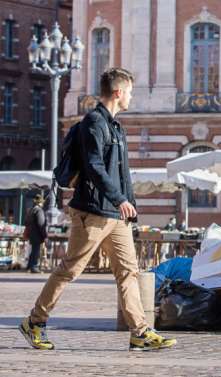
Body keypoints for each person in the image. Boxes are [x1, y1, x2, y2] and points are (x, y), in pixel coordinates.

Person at [19, 68, 176, 351]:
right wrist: (119, 199)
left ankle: (139, 331)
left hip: (116, 216)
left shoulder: (115, 126)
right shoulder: (94, 123)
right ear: (118, 92)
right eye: (129, 91)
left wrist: (130, 207)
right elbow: (94, 167)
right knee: (69, 270)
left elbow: (122, 174)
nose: (131, 97)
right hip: (92, 212)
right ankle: (35, 321)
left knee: (129, 272)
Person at [25, 194, 47, 273]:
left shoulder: (31, 210)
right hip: (37, 234)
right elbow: (41, 223)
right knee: (36, 251)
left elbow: (26, 222)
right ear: (40, 202)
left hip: (31, 233)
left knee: (33, 250)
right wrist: (45, 235)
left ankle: (29, 266)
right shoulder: (39, 210)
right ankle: (34, 267)